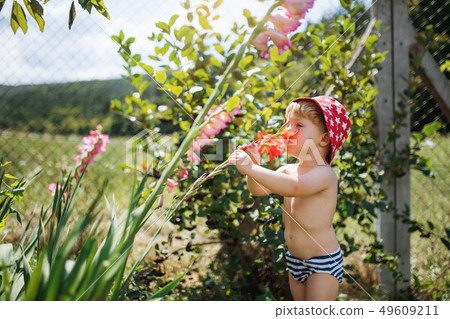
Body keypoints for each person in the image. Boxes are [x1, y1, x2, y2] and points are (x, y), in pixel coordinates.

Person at [226, 96, 351, 301]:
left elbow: (295, 187)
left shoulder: (324, 174)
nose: (287, 130)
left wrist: (252, 168)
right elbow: (258, 190)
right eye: (286, 123)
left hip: (322, 262)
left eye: (298, 125)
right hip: (295, 260)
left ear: (324, 139)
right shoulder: (288, 169)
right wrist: (253, 167)